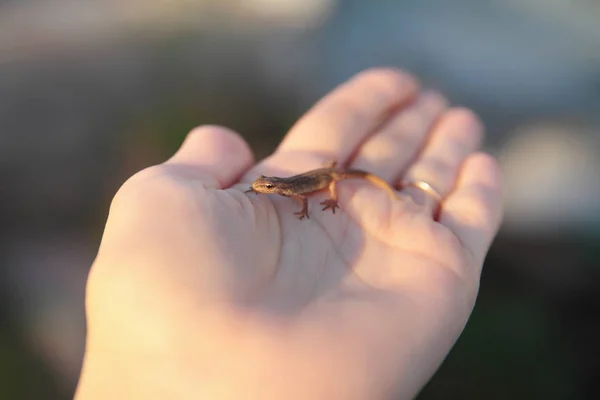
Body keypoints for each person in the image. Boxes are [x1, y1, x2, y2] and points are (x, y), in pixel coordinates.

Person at [74, 68, 503, 399]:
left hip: (328, 175)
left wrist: (328, 199)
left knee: (341, 182)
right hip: (321, 171)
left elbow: (306, 196)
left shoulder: (296, 191)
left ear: (274, 186)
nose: (260, 190)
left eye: (264, 187)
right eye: (262, 188)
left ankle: (367, 183)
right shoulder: (278, 189)